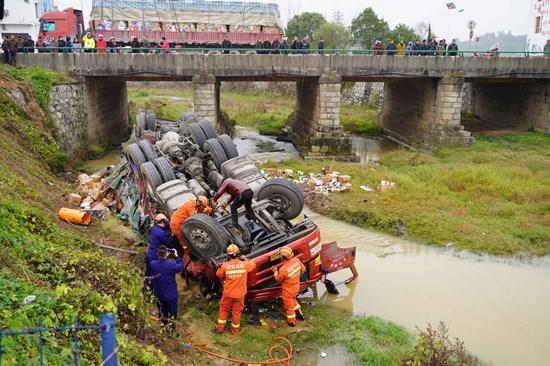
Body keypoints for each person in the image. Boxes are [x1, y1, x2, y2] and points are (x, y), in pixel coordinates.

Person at [214, 244, 256, 335]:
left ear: (228, 255)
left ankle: (220, 328)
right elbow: (253, 265)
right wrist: (245, 259)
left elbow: (218, 275)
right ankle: (235, 331)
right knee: (236, 312)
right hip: (240, 294)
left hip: (228, 294)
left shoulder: (225, 266)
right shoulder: (244, 264)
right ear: (238, 254)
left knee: (224, 309)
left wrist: (220, 267)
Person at [150, 245, 184, 332]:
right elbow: (181, 266)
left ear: (158, 254)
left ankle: (163, 329)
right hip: (170, 296)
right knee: (172, 315)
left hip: (158, 294)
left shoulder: (152, 264)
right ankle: (171, 331)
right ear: (167, 254)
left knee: (162, 313)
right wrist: (177, 256)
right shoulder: (171, 266)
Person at [272, 246, 305, 326]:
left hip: (288, 291)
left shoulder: (283, 269)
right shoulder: (297, 260)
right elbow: (303, 269)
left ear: (282, 257)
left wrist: (275, 271)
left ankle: (291, 322)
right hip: (296, 286)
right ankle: (300, 315)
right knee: (293, 299)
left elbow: (278, 279)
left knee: (289, 307)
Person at [146, 213, 174, 279]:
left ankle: (147, 284)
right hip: (155, 257)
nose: (167, 223)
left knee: (149, 273)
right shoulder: (161, 233)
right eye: (166, 221)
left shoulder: (154, 228)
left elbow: (165, 226)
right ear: (162, 222)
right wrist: (172, 236)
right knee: (156, 276)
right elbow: (169, 243)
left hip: (150, 254)